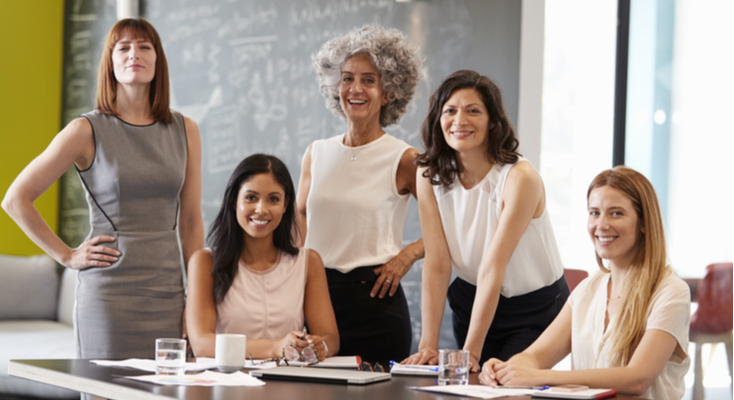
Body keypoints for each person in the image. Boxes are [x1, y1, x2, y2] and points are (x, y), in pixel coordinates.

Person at [2, 18, 203, 360]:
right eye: (122, 47)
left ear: (158, 60)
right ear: (110, 63)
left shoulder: (186, 130)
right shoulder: (85, 129)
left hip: (167, 294)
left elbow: (191, 223)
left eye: (144, 46)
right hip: (108, 297)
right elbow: (15, 199)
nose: (133, 54)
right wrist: (67, 256)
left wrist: (196, 298)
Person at [403, 70, 569, 371]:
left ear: (493, 121)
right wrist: (427, 345)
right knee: (470, 387)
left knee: (504, 385)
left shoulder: (520, 178)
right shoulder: (429, 174)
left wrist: (471, 354)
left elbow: (494, 267)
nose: (460, 120)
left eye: (473, 111)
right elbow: (438, 263)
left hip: (534, 309)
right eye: (450, 111)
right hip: (472, 299)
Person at [478, 167, 690, 400]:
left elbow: (637, 379)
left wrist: (541, 377)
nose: (602, 224)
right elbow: (535, 357)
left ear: (643, 222)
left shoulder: (671, 292)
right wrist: (505, 368)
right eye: (594, 213)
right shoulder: (588, 290)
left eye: (616, 213)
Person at [296, 25, 424, 365]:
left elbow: (449, 227)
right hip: (315, 300)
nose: (355, 88)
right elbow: (299, 218)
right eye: (347, 78)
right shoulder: (316, 152)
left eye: (369, 79)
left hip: (376, 304)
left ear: (389, 92)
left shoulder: (405, 158)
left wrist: (406, 256)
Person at [186, 154, 339, 361]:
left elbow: (330, 338)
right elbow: (202, 344)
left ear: (285, 206)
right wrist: (276, 347)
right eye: (251, 198)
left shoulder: (308, 261)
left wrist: (319, 346)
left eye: (274, 199)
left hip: (289, 385)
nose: (261, 209)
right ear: (234, 201)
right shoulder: (205, 262)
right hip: (228, 385)